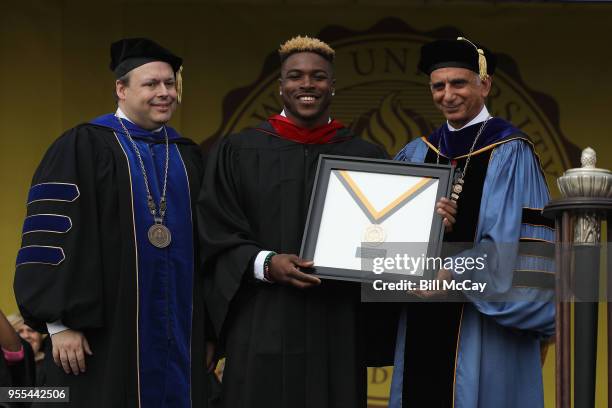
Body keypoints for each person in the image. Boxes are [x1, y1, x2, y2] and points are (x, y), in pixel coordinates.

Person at [200, 36, 442, 408]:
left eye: (318, 76)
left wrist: (432, 219)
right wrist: (267, 262)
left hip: (338, 321)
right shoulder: (239, 151)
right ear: (281, 87)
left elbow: (388, 239)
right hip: (263, 318)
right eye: (295, 76)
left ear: (333, 86)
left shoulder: (364, 156)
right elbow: (215, 231)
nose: (307, 84)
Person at [14, 38, 213, 407]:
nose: (164, 92)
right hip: (101, 336)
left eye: (170, 84)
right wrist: (59, 325)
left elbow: (209, 248)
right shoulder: (83, 146)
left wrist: (209, 331)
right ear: (121, 89)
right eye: (151, 84)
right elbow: (50, 238)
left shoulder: (188, 157)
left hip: (178, 338)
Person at [389, 37, 555, 408]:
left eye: (458, 83)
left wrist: (453, 271)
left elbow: (516, 245)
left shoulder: (511, 151)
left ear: (485, 84)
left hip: (484, 326)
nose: (448, 94)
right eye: (438, 85)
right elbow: (394, 234)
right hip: (422, 315)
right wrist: (431, 232)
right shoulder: (418, 152)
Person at [7, 313, 46, 385]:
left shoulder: (54, 364)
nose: (26, 335)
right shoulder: (5, 369)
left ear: (41, 336)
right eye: (19, 331)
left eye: (31, 330)